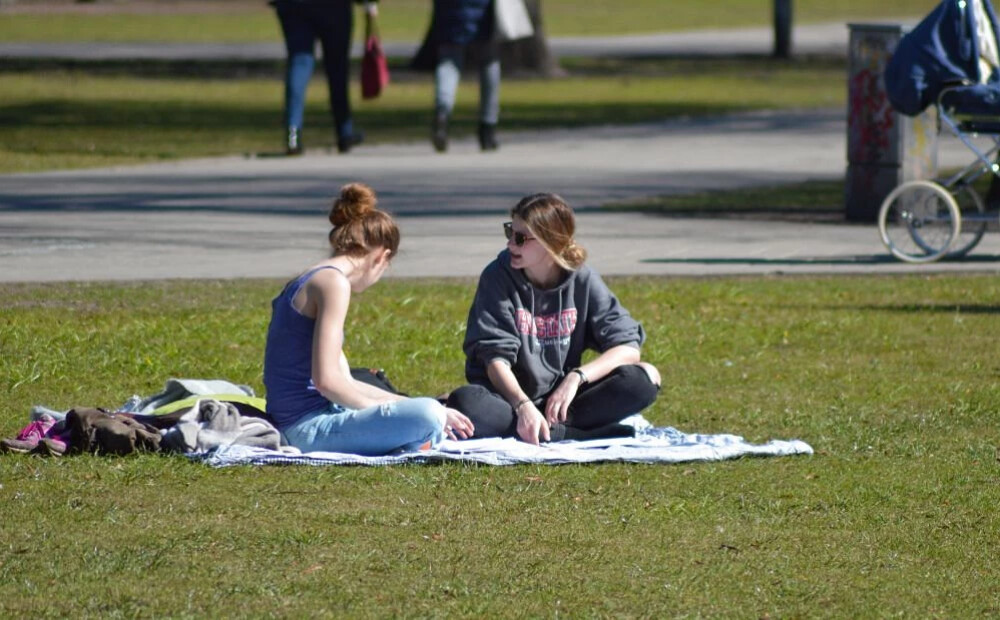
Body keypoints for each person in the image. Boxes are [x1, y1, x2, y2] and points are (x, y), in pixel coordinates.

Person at [263, 183, 474, 455]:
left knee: (427, 408)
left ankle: (412, 433)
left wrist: (402, 403)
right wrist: (396, 412)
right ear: (382, 257)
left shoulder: (311, 278)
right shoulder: (333, 283)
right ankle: (416, 435)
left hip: (305, 421)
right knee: (428, 415)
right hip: (306, 430)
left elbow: (345, 381)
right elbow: (327, 382)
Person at [446, 193, 662, 445]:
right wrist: (523, 405)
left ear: (552, 241)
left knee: (644, 377)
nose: (510, 245)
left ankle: (549, 430)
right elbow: (494, 359)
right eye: (509, 232)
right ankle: (576, 435)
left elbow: (627, 347)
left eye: (520, 238)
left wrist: (575, 378)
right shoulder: (497, 277)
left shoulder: (581, 278)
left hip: (561, 403)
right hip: (507, 400)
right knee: (466, 401)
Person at [270, 0, 374, 155]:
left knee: (300, 63)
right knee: (337, 67)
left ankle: (293, 134)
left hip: (294, 6)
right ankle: (344, 132)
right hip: (333, 7)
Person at [430, 0, 501, 152]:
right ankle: (487, 125)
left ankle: (443, 110)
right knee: (489, 62)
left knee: (448, 61)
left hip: (450, 8)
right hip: (483, 10)